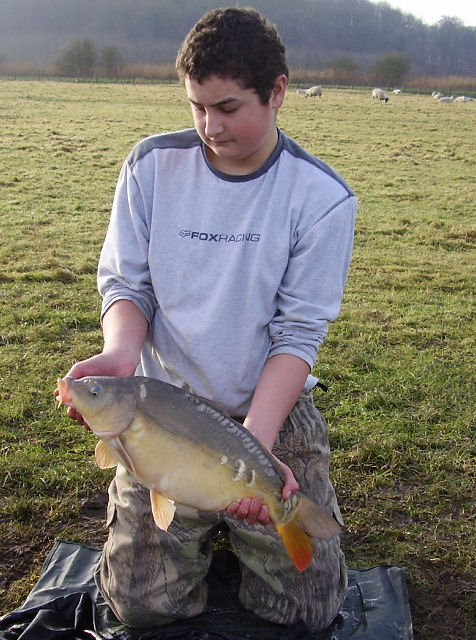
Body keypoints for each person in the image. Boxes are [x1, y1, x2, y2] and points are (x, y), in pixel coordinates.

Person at [59, 6, 357, 633]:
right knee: (142, 608)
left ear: (277, 92)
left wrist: (256, 443)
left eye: (227, 108)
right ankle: (190, 527)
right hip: (161, 405)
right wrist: (118, 354)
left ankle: (238, 524)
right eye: (196, 106)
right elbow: (127, 286)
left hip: (269, 407)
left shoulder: (322, 198)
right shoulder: (151, 167)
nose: (208, 126)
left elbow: (297, 335)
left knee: (302, 612)